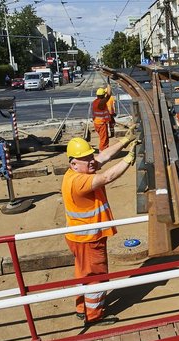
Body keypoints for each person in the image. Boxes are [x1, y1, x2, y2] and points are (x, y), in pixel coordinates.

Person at [62, 131, 139, 326]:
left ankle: (82, 309)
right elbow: (106, 177)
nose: (90, 161)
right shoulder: (79, 182)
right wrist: (130, 158)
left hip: (77, 237)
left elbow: (103, 157)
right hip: (89, 238)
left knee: (83, 274)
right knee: (96, 277)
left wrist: (124, 140)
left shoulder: (77, 171)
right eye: (85, 159)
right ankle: (94, 316)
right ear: (73, 163)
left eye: (89, 156)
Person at [92, 85, 112, 150]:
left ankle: (104, 151)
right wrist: (109, 85)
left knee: (103, 138)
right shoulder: (101, 103)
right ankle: (103, 153)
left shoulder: (95, 102)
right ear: (103, 96)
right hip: (101, 123)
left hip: (97, 123)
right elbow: (108, 95)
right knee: (104, 139)